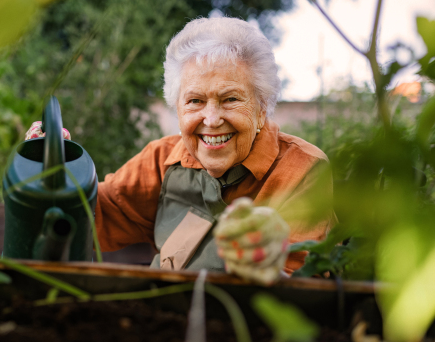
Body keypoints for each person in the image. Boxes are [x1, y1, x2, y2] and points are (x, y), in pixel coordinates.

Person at [26, 17, 335, 284]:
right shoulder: (161, 160)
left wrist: (265, 264)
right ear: (177, 108)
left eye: (230, 99)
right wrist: (52, 168)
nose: (212, 120)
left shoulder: (301, 169)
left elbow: (301, 284)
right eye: (195, 101)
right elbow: (94, 216)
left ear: (262, 107)